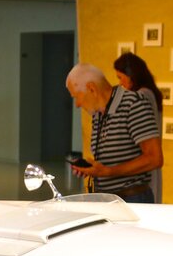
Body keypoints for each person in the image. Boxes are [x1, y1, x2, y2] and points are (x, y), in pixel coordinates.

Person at [65, 63, 162, 203]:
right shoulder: (98, 113)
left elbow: (154, 158)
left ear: (91, 88)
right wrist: (92, 168)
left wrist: (109, 171)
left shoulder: (134, 104)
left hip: (132, 199)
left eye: (76, 96)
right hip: (107, 199)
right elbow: (111, 159)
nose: (77, 104)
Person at [114, 52, 164, 204]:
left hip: (143, 164)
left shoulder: (142, 95)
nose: (121, 83)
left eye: (121, 77)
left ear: (132, 75)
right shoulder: (148, 93)